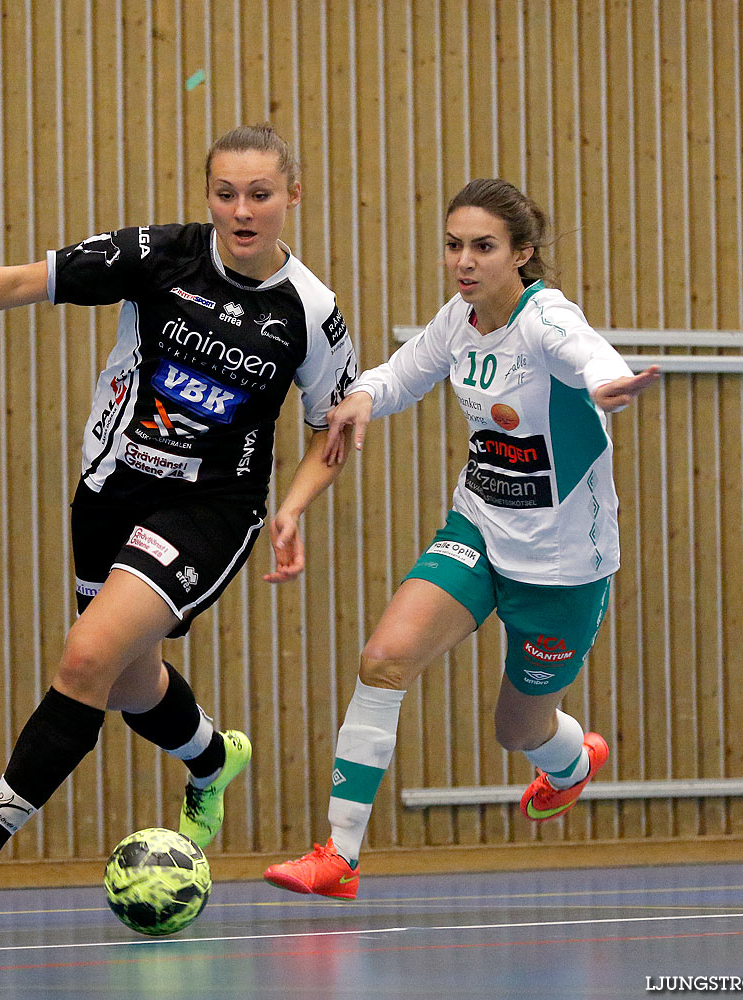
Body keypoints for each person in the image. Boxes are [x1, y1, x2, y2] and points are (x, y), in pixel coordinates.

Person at [0, 123, 359, 901]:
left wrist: (291, 509)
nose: (242, 210)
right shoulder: (159, 255)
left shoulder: (309, 310)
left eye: (260, 195)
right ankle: (210, 759)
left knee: (86, 658)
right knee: (134, 683)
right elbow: (22, 282)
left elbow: (331, 431)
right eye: (225, 193)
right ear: (208, 196)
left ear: (292, 198)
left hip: (210, 509)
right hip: (109, 492)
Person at [263, 178, 660, 899]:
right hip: (478, 526)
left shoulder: (546, 320)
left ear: (521, 254)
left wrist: (609, 384)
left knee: (518, 730)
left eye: (483, 247)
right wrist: (360, 397)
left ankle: (572, 762)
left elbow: (587, 354)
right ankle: (338, 857)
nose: (464, 261)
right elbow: (401, 375)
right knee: (383, 657)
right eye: (454, 246)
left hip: (562, 564)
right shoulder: (460, 320)